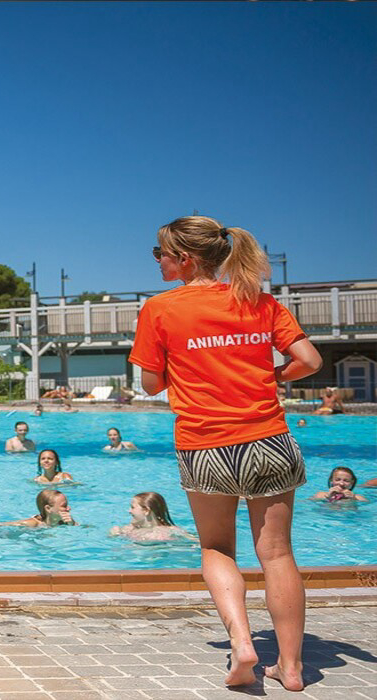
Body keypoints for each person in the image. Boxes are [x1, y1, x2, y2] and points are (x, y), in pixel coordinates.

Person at [131, 216, 322, 690]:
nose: (156, 261)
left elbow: (151, 384)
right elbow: (310, 361)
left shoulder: (160, 309)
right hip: (269, 439)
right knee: (277, 554)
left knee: (217, 547)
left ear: (184, 259)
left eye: (160, 254)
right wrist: (270, 378)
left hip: (206, 442)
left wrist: (189, 369)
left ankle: (242, 644)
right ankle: (292, 669)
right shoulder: (257, 301)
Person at [110, 492, 195, 541]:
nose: (129, 511)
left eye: (133, 507)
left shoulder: (169, 531)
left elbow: (195, 543)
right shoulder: (129, 529)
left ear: (146, 510)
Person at [0, 489, 76, 528]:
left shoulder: (65, 522)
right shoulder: (33, 524)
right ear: (48, 508)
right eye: (64, 505)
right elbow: (8, 524)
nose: (69, 508)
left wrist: (72, 524)